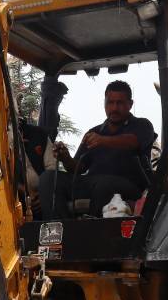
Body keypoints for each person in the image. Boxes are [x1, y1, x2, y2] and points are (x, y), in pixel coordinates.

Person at [38, 80, 156, 219]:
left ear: (130, 104)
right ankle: (59, 230)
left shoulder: (142, 125)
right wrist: (65, 157)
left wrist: (103, 140)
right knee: (48, 178)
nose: (114, 108)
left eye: (119, 103)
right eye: (110, 103)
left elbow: (133, 141)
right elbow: (78, 169)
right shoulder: (94, 131)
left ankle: (94, 229)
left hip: (128, 185)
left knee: (105, 184)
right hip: (92, 183)